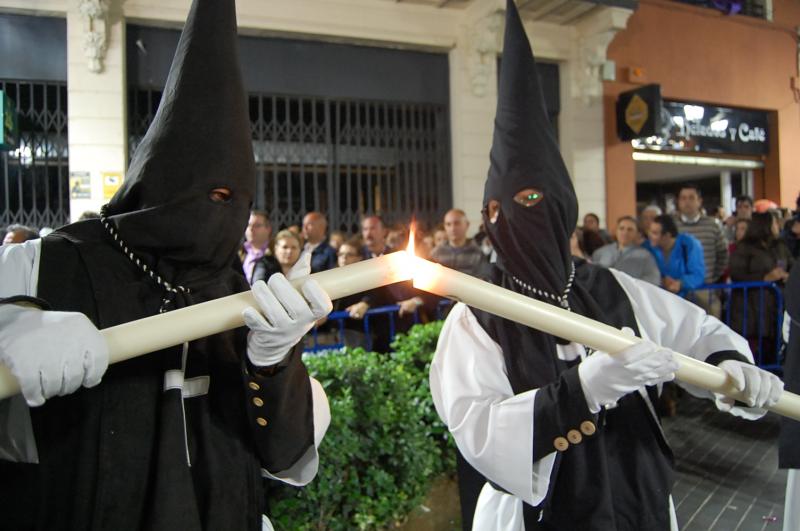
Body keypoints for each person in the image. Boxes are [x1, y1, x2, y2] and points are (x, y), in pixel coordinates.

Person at [429, 4, 783, 529]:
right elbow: (475, 428)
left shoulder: (612, 287)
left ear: (562, 206)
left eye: (527, 198)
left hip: (639, 499)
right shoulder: (477, 315)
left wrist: (733, 369)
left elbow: (697, 333)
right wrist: (582, 391)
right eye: (495, 209)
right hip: (544, 513)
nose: (507, 218)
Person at [0, 1, 331, 529]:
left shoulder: (234, 287)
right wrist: (9, 327)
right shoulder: (42, 265)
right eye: (205, 192)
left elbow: (288, 458)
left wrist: (272, 363)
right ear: (156, 182)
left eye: (233, 198)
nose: (216, 212)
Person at [729, 212, 792, 361]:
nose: (778, 226)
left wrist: (788, 275)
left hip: (775, 307)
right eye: (775, 223)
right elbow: (736, 274)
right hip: (751, 308)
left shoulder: (780, 246)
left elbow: (791, 264)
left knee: (773, 349)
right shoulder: (744, 248)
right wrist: (764, 278)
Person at [674, 184, 728, 315]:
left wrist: (712, 276)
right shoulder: (672, 225)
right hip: (677, 289)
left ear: (699, 201)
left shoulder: (713, 225)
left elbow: (723, 254)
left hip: (705, 287)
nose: (687, 202)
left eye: (691, 198)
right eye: (683, 198)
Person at [644, 214, 706, 297]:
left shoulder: (689, 244)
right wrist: (661, 280)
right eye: (650, 231)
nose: (649, 236)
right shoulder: (648, 246)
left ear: (667, 236)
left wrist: (680, 283)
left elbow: (698, 274)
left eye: (654, 233)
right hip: (659, 297)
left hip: (687, 297)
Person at [591, 216, 660, 285]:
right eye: (621, 228)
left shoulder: (646, 256)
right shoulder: (600, 253)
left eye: (630, 229)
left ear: (637, 233)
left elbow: (654, 280)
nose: (625, 232)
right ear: (616, 231)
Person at [430, 209, 488, 278]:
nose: (453, 228)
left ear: (467, 225)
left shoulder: (478, 254)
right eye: (448, 224)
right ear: (445, 227)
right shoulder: (436, 253)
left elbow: (483, 281)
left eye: (457, 223)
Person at [242, 210, 273, 284]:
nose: (251, 229)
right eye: (248, 225)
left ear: (268, 229)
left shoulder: (277, 250)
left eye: (257, 225)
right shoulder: (240, 252)